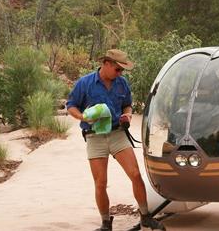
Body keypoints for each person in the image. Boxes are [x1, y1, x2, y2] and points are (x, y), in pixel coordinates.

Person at [66, 49, 165, 231]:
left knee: (135, 174)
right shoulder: (85, 83)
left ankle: (145, 216)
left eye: (122, 70)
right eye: (118, 69)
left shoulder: (122, 84)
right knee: (100, 182)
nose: (120, 73)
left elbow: (127, 104)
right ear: (106, 64)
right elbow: (71, 105)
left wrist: (127, 115)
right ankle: (105, 223)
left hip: (117, 133)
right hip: (94, 136)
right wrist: (83, 117)